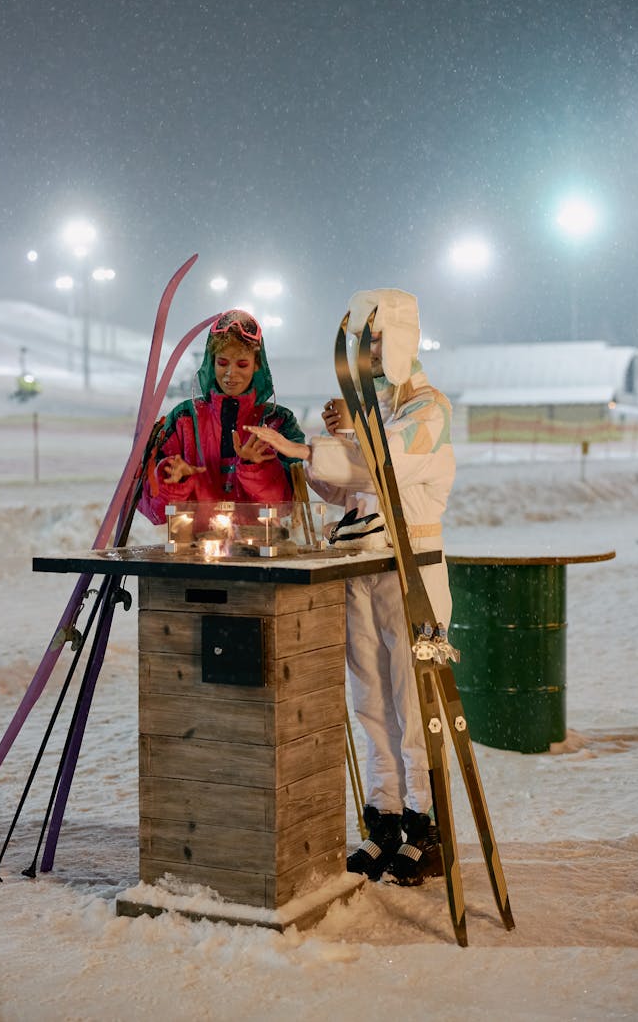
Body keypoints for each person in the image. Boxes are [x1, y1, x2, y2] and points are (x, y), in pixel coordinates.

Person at [246, 288, 455, 886]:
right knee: (371, 704)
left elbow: (383, 465)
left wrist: (315, 446)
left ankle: (426, 824)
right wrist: (321, 449)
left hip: (411, 570)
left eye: (379, 342)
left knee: (413, 704)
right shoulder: (378, 413)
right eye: (365, 346)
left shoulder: (427, 410)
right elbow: (345, 491)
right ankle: (384, 819)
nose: (371, 356)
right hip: (359, 569)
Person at [139, 309, 306, 525]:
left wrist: (256, 466)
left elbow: (287, 503)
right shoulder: (183, 418)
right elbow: (155, 511)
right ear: (211, 362)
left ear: (257, 365)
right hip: (194, 551)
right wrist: (175, 478)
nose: (231, 374)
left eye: (242, 364)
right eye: (223, 363)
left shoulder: (278, 421)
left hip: (262, 550)